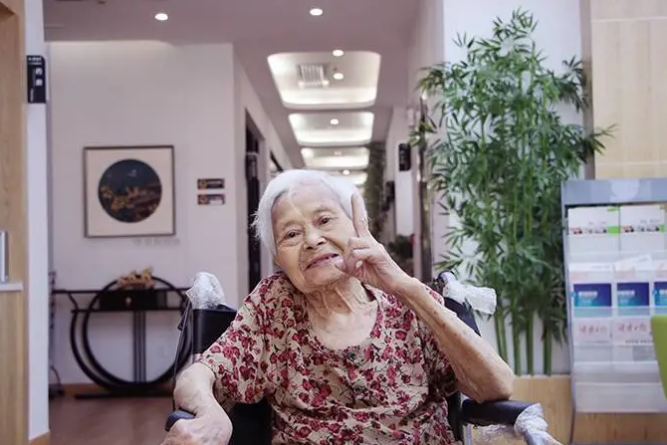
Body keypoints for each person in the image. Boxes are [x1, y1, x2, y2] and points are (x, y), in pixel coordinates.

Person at [161, 170, 514, 445]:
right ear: (279, 259)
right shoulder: (275, 305)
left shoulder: (406, 298)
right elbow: (197, 376)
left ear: (358, 227)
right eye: (291, 234)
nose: (313, 240)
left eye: (325, 220)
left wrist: (407, 288)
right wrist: (210, 413)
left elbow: (495, 386)